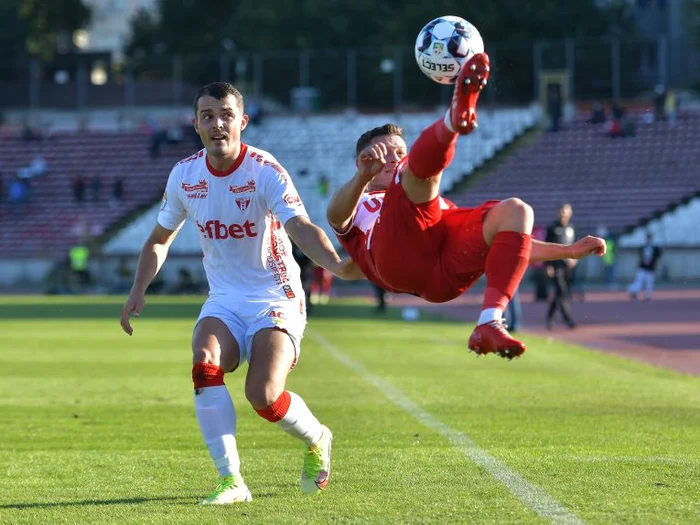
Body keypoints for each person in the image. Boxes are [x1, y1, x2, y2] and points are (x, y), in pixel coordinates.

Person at [120, 81, 355, 505]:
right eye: (207, 116)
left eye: (226, 114)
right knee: (204, 362)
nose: (217, 124)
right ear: (195, 125)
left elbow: (299, 225)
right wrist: (138, 289)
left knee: (263, 397)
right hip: (224, 299)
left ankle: (318, 436)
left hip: (275, 297)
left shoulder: (263, 170)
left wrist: (335, 263)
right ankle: (232, 480)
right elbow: (159, 239)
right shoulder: (184, 176)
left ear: (242, 121)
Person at [326, 53, 606, 359]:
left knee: (516, 211)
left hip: (443, 275)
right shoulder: (360, 198)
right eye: (381, 154)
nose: (391, 158)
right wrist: (361, 179)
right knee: (413, 182)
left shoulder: (433, 200)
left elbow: (512, 246)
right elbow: (336, 218)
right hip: (396, 260)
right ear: (361, 162)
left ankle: (489, 321)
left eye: (398, 151)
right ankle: (452, 122)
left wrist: (567, 251)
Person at [545, 203, 578, 330]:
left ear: (570, 213)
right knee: (562, 291)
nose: (563, 214)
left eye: (566, 211)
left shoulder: (572, 228)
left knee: (561, 293)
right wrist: (548, 265)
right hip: (556, 265)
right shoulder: (552, 228)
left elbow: (576, 245)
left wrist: (575, 259)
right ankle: (568, 319)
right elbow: (546, 247)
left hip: (568, 266)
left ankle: (550, 318)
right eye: (561, 211)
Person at [628, 233, 662, 301]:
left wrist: (657, 266)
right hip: (642, 267)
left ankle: (648, 296)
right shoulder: (643, 247)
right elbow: (639, 257)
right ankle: (634, 294)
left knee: (649, 283)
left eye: (649, 238)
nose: (648, 240)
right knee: (639, 282)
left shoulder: (655, 248)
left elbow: (658, 258)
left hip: (650, 268)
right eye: (647, 238)